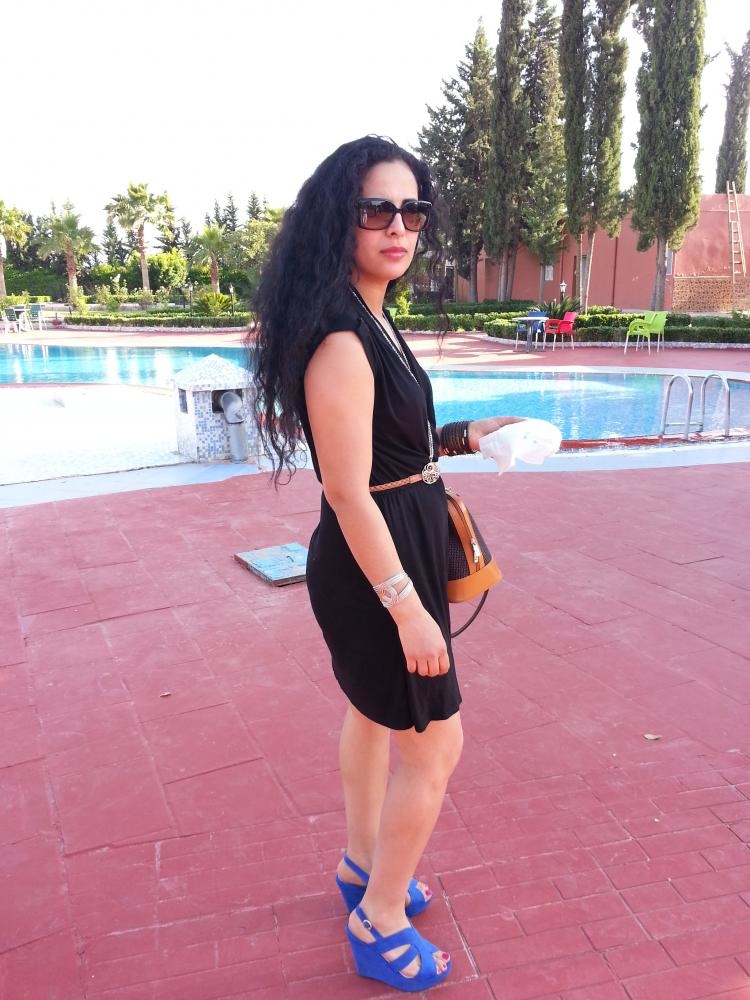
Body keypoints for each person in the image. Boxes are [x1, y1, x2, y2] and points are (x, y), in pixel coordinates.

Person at [252, 135, 520, 992]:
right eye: (377, 210)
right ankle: (379, 920)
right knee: (437, 745)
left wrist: (466, 435)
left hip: (390, 550)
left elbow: (390, 448)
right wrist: (407, 609)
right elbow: (347, 489)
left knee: (374, 718)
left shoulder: (371, 313)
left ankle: (362, 865)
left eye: (413, 210)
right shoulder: (342, 336)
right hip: (376, 567)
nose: (398, 227)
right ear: (342, 219)